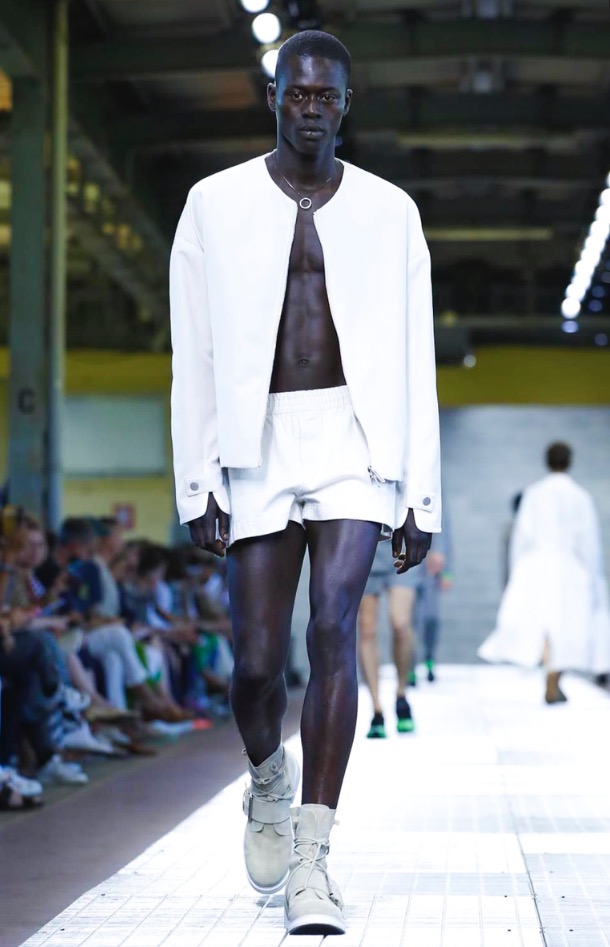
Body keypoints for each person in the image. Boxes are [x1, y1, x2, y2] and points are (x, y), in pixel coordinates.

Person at [169, 30, 441, 935]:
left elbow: (415, 355)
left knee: (332, 629)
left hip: (355, 437)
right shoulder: (213, 204)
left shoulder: (391, 211)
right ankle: (267, 779)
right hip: (256, 439)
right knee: (255, 664)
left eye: (328, 94)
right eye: (299, 92)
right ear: (274, 96)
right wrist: (196, 478)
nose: (312, 107)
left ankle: (314, 862)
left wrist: (420, 492)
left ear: (347, 103)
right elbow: (195, 353)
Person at [479, 442, 610, 703]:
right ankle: (554, 678)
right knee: (566, 623)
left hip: (536, 565)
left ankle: (551, 676)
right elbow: (589, 542)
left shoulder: (534, 494)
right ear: (569, 461)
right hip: (570, 567)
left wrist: (517, 572)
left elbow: (522, 536)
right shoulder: (580, 496)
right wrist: (595, 577)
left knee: (544, 622)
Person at [358, 519, 452, 739]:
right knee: (367, 629)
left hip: (403, 542)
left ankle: (401, 694)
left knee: (401, 624)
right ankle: (376, 709)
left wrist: (436, 547)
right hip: (365, 542)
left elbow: (431, 500)